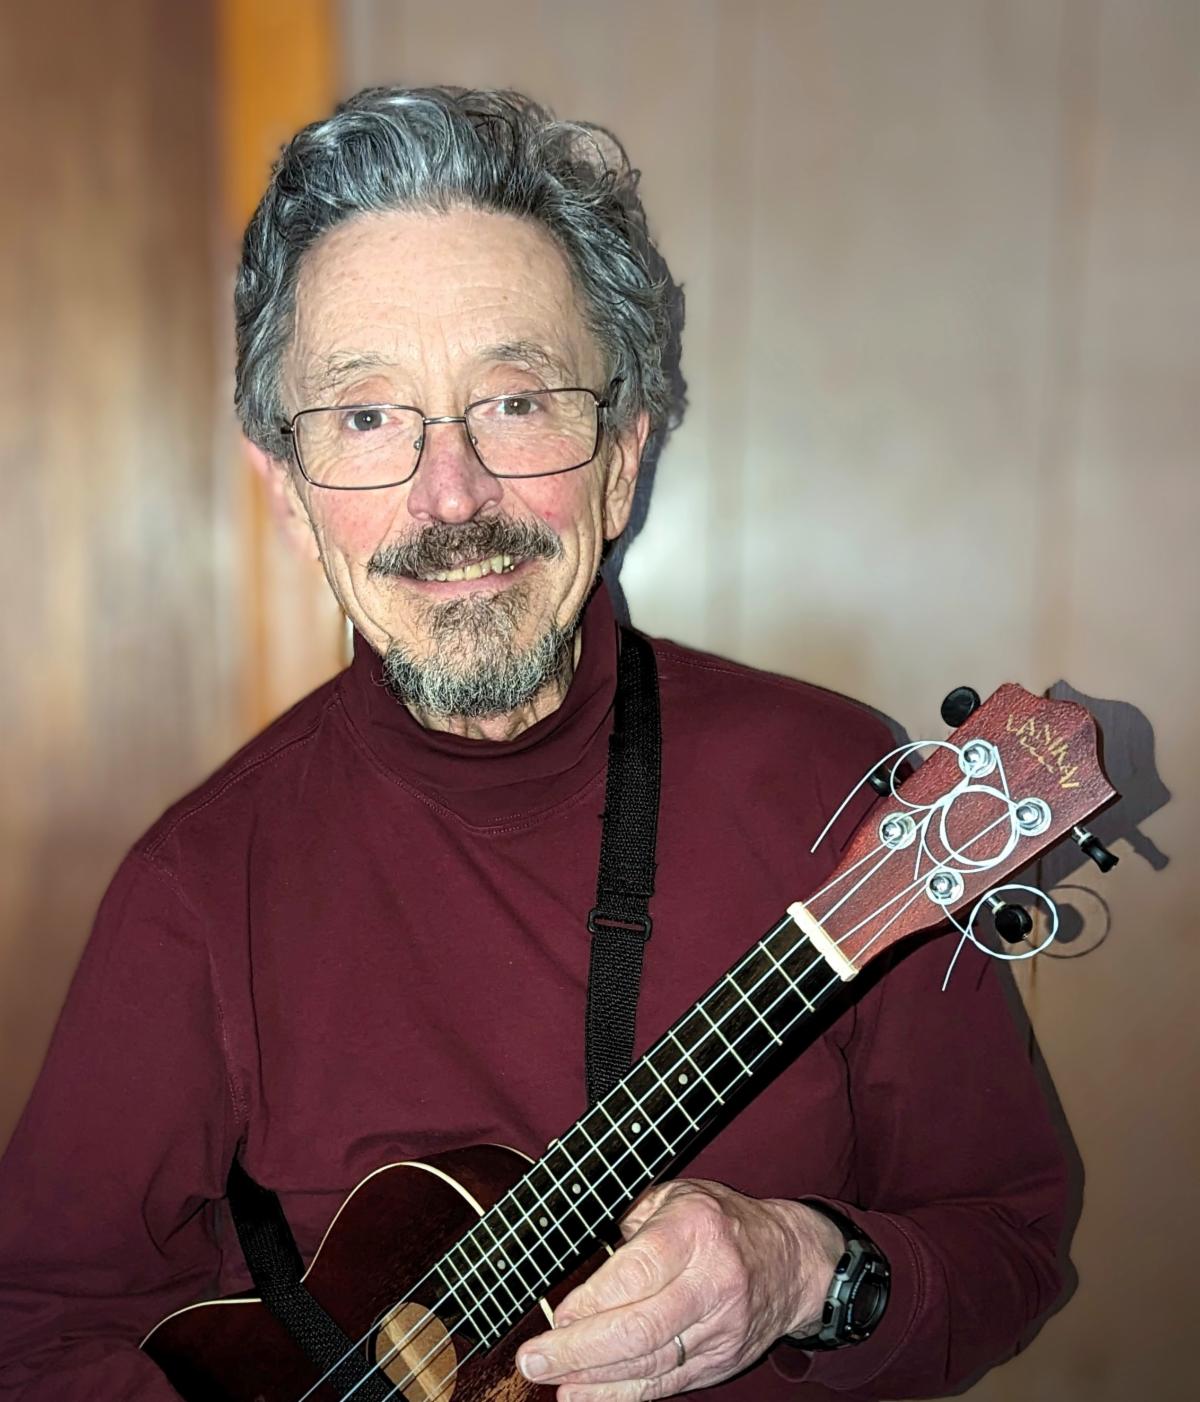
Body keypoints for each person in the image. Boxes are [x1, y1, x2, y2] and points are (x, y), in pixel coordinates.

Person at [0, 87, 1069, 1401]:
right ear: (289, 499)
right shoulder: (198, 886)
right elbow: (34, 1327)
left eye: (514, 401)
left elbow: (1010, 1238)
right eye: (367, 418)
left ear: (621, 459)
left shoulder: (836, 791)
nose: (450, 495)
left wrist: (807, 1268)